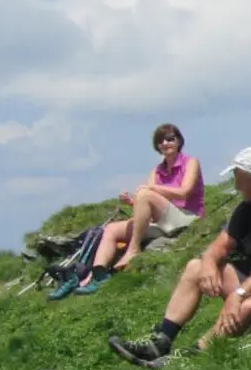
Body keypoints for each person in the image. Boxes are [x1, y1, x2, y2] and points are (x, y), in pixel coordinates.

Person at [105, 146, 251, 368]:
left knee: (248, 305)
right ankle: (160, 341)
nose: (236, 185)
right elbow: (220, 246)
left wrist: (239, 294)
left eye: (239, 178)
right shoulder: (249, 205)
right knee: (195, 267)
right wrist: (210, 263)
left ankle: (190, 358)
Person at [69, 123, 203, 295]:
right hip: (163, 221)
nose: (165, 143)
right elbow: (148, 203)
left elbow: (185, 192)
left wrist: (151, 190)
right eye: (160, 141)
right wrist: (132, 202)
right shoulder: (157, 170)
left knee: (145, 193)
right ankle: (98, 275)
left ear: (178, 141)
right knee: (111, 229)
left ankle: (133, 249)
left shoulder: (191, 162)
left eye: (170, 139)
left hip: (186, 218)